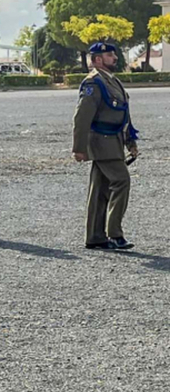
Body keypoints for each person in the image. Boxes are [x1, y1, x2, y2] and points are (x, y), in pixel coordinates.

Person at [72, 42, 138, 250]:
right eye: (110, 55)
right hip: (102, 143)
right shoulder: (93, 83)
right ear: (97, 59)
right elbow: (82, 118)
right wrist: (79, 147)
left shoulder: (113, 81)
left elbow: (123, 114)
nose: (115, 58)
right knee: (121, 181)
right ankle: (115, 234)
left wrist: (130, 141)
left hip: (114, 142)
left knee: (100, 190)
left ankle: (95, 237)